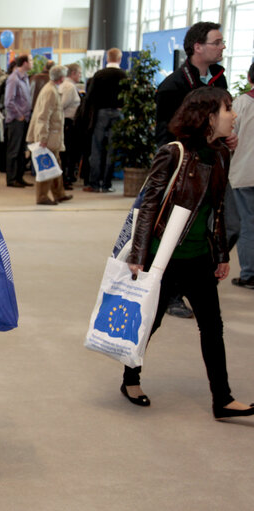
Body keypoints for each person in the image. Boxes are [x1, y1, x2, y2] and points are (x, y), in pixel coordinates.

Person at [122, 87, 254, 421]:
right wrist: (138, 254)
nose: (234, 114)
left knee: (213, 327)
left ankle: (222, 400)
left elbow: (218, 210)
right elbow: (149, 202)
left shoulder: (220, 154)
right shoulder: (173, 152)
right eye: (227, 109)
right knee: (148, 324)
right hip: (164, 258)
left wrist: (222, 254)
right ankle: (130, 380)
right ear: (209, 116)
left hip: (199, 256)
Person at [154, 22, 237, 319]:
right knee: (178, 230)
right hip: (185, 174)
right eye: (216, 42)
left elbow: (219, 123)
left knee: (229, 222)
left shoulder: (218, 80)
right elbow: (164, 138)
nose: (222, 47)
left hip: (212, 167)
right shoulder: (173, 87)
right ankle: (174, 288)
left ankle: (198, 277)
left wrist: (226, 139)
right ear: (197, 46)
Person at [26, 65, 72, 206]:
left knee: (56, 165)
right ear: (62, 77)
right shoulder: (50, 92)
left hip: (53, 136)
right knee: (46, 166)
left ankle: (59, 194)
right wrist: (42, 138)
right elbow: (43, 117)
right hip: (49, 137)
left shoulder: (51, 89)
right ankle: (42, 197)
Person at [83, 48, 127, 193]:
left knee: (96, 148)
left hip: (101, 113)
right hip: (118, 113)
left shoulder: (99, 75)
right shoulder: (123, 75)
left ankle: (94, 183)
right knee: (112, 150)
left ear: (107, 59)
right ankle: (107, 184)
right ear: (120, 59)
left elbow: (89, 97)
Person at [229, 63, 254, 289]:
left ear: (249, 77)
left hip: (244, 172)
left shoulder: (241, 103)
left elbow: (229, 137)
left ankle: (248, 274)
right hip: (246, 173)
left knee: (247, 224)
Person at [4, 55, 33, 188]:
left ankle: (19, 177)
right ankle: (12, 179)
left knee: (21, 150)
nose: (32, 63)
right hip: (16, 120)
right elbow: (8, 101)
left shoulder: (25, 77)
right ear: (25, 63)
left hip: (25, 119)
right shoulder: (14, 79)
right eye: (31, 60)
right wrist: (19, 115)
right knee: (14, 150)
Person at [59, 63, 81, 189]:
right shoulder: (69, 87)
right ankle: (65, 178)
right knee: (67, 152)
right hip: (67, 122)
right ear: (72, 73)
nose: (80, 76)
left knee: (68, 152)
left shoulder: (68, 85)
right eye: (79, 73)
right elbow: (62, 104)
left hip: (67, 121)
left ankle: (67, 177)